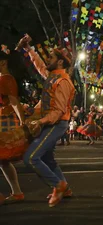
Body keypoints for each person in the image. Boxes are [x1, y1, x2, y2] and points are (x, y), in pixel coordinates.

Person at [17, 34, 75, 207]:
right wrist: (28, 49)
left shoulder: (63, 81)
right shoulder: (53, 76)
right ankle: (66, 188)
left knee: (31, 158)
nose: (47, 59)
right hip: (50, 122)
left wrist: (40, 122)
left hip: (56, 123)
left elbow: (58, 112)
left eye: (51, 57)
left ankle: (58, 185)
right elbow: (40, 65)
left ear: (59, 62)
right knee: (48, 159)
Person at [0, 48, 28, 204]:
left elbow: (13, 100)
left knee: (3, 159)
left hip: (5, 120)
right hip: (3, 118)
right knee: (3, 161)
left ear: (3, 62)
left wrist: (22, 120)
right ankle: (17, 192)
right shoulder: (3, 78)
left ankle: (16, 192)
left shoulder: (6, 79)